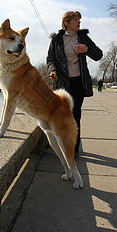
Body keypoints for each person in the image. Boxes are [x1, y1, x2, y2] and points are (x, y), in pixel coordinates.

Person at [46, 11, 103, 157]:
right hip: (62, 83)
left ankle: (73, 150)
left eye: (79, 20)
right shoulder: (56, 40)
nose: (79, 22)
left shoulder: (83, 37)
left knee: (75, 114)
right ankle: (61, 145)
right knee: (62, 115)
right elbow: (50, 60)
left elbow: (98, 54)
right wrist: (52, 71)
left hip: (79, 82)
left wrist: (87, 49)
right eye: (76, 20)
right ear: (66, 22)